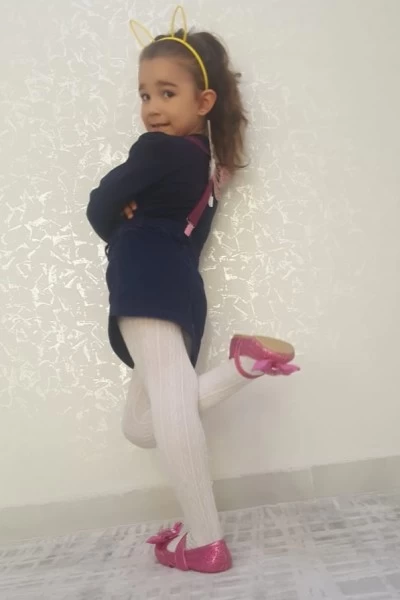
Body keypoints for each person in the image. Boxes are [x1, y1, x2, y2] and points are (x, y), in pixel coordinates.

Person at [86, 6, 299, 574]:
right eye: (144, 94)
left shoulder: (156, 150)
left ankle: (204, 540)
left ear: (203, 101)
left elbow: (99, 205)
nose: (152, 107)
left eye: (166, 92)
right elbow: (190, 236)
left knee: (170, 409)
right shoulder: (209, 168)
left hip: (144, 277)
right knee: (141, 426)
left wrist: (119, 218)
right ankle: (243, 366)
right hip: (179, 286)